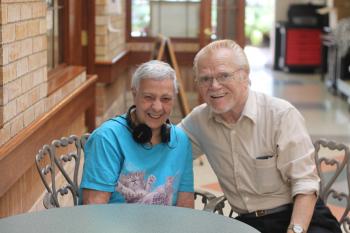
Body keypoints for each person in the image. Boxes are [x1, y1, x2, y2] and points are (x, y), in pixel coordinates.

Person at [179, 40, 341, 233]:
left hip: (302, 218)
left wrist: (295, 230)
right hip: (249, 224)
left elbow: (305, 184)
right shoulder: (199, 121)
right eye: (205, 79)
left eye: (224, 76)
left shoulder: (280, 115)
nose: (214, 86)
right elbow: (165, 148)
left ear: (245, 75)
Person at [80, 60, 194, 208]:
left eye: (165, 99)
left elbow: (186, 206)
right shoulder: (107, 138)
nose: (157, 107)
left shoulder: (181, 140)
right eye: (149, 97)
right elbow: (93, 210)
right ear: (134, 94)